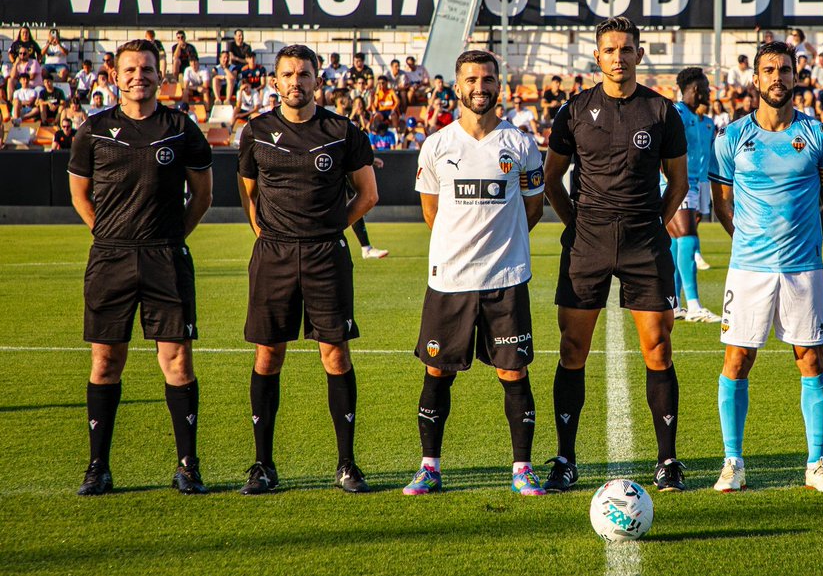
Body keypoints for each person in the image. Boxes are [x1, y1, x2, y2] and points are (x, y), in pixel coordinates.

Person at [542, 16, 689, 492]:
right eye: (610, 50)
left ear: (639, 56)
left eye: (627, 49)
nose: (619, 57)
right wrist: (579, 225)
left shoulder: (663, 112)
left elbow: (680, 182)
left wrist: (653, 223)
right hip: (587, 242)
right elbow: (551, 180)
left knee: (659, 349)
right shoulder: (574, 110)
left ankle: (667, 461)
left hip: (645, 243)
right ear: (598, 57)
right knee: (572, 350)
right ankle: (565, 458)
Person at [67, 39, 214, 496]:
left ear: (160, 75)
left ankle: (187, 466)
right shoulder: (93, 130)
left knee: (177, 360)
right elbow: (80, 195)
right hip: (110, 257)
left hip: (165, 257)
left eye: (147, 69)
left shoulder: (180, 127)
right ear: (115, 76)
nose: (139, 77)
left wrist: (170, 238)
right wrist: (108, 234)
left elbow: (203, 196)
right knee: (106, 360)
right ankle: (98, 467)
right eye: (130, 69)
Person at [236, 44, 379, 495]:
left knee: (335, 355)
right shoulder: (255, 131)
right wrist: (268, 235)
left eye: (304, 74)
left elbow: (367, 194)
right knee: (267, 354)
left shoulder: (341, 130)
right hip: (273, 257)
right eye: (287, 74)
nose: (295, 81)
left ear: (318, 80)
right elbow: (249, 196)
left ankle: (347, 464)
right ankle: (262, 465)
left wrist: (330, 227)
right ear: (274, 82)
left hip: (325, 257)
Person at [405, 49, 548, 496]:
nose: (480, 87)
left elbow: (534, 207)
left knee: (514, 373)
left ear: (498, 85)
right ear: (458, 85)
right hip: (449, 281)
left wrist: (501, 244)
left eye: (488, 79)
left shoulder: (521, 145)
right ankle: (429, 467)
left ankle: (522, 468)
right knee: (437, 372)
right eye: (471, 79)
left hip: (505, 280)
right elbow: (433, 212)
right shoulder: (437, 145)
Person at [707, 41, 823, 494]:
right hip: (749, 268)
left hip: (804, 267)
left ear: (795, 76)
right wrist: (747, 240)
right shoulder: (730, 138)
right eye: (769, 70)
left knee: (811, 358)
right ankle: (733, 462)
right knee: (738, 359)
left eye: (785, 70)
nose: (777, 78)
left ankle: (816, 464)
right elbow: (721, 204)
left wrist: (806, 241)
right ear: (755, 78)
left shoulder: (822, 136)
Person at [665, 67, 719, 323]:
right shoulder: (675, 113)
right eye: (707, 88)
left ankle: (673, 304)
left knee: (678, 243)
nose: (710, 93)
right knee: (687, 237)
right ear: (696, 89)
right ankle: (695, 306)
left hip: (696, 186)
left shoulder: (704, 121)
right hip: (678, 185)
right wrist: (669, 181)